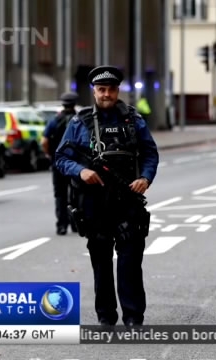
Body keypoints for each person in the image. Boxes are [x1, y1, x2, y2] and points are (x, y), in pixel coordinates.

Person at [54, 65, 159, 326]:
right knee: (101, 263)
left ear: (117, 90)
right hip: (94, 202)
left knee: (130, 263)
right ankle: (106, 317)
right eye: (101, 90)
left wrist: (145, 178)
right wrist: (81, 171)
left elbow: (150, 153)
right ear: (94, 92)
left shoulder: (133, 120)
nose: (107, 94)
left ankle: (134, 318)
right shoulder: (80, 122)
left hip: (128, 200)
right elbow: (60, 157)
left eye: (111, 89)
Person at [42, 92, 79, 235]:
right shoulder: (80, 119)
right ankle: (75, 224)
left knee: (60, 195)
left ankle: (61, 225)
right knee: (76, 194)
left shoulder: (55, 120)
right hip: (76, 164)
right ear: (74, 104)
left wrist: (49, 154)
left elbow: (44, 141)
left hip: (58, 163)